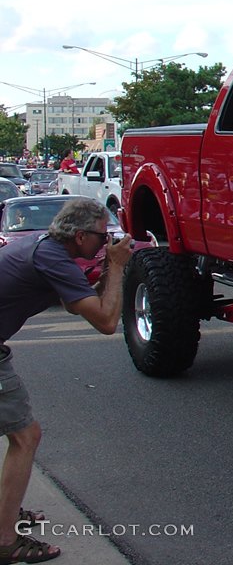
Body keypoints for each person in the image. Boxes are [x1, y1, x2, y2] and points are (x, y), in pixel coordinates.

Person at [0, 198, 133, 563]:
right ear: (79, 236)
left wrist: (107, 263)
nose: (106, 243)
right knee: (25, 437)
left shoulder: (45, 247)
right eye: (102, 237)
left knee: (19, 435)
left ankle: (4, 513)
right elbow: (106, 321)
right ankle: (4, 540)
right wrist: (118, 267)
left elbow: (86, 297)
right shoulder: (51, 258)